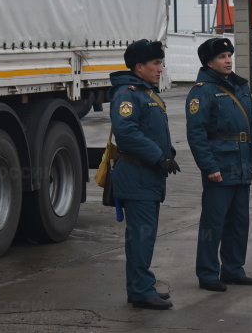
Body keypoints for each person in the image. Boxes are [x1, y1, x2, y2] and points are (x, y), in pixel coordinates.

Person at [185, 37, 252, 292]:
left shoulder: (240, 87)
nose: (228, 59)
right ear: (209, 62)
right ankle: (208, 273)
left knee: (239, 221)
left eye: (229, 55)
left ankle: (233, 269)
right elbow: (196, 134)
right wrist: (209, 167)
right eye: (222, 56)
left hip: (242, 163)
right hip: (219, 164)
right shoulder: (202, 91)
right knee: (214, 223)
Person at [109, 39, 180, 310]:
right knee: (141, 236)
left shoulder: (145, 92)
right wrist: (157, 155)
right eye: (156, 63)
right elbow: (126, 133)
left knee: (145, 236)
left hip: (148, 175)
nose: (160, 68)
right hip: (137, 175)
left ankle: (141, 285)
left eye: (160, 63)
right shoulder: (128, 93)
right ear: (139, 67)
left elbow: (150, 130)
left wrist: (168, 153)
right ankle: (140, 290)